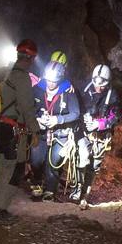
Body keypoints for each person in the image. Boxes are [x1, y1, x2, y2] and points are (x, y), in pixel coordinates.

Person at [0, 39, 40, 225]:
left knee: (3, 168)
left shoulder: (6, 74)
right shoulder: (22, 77)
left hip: (0, 128)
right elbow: (27, 108)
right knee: (14, 170)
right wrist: (35, 131)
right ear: (32, 58)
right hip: (14, 130)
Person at [30, 50, 82, 202]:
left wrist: (57, 119)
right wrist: (37, 119)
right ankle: (37, 182)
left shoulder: (67, 91)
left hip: (60, 134)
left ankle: (50, 190)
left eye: (54, 81)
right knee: (36, 160)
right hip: (40, 132)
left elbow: (75, 113)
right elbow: (28, 107)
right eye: (49, 80)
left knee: (54, 162)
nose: (51, 84)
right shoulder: (38, 89)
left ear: (60, 79)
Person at [76, 63, 120, 209]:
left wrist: (100, 124)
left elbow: (115, 117)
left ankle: (85, 194)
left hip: (101, 136)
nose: (98, 88)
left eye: (102, 86)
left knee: (94, 166)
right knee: (82, 158)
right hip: (84, 132)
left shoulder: (112, 96)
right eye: (96, 84)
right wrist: (84, 118)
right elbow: (76, 106)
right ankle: (77, 189)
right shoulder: (85, 89)